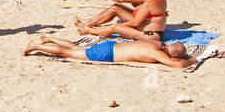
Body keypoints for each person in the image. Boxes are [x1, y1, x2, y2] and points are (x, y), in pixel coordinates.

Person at [24, 34, 197, 68]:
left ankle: (48, 37)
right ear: (173, 54)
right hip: (107, 54)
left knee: (76, 48)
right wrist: (191, 61)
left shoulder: (156, 44)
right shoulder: (157, 54)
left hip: (110, 46)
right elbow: (178, 66)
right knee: (68, 53)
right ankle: (38, 46)